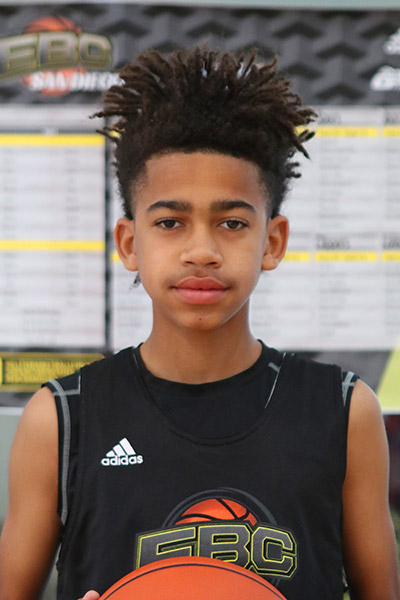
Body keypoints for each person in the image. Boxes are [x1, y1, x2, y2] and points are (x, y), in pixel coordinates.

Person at [0, 46, 399, 600]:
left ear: (273, 241)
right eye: (170, 222)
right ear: (130, 243)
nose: (202, 251)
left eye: (232, 222)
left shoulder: (343, 411)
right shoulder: (62, 419)